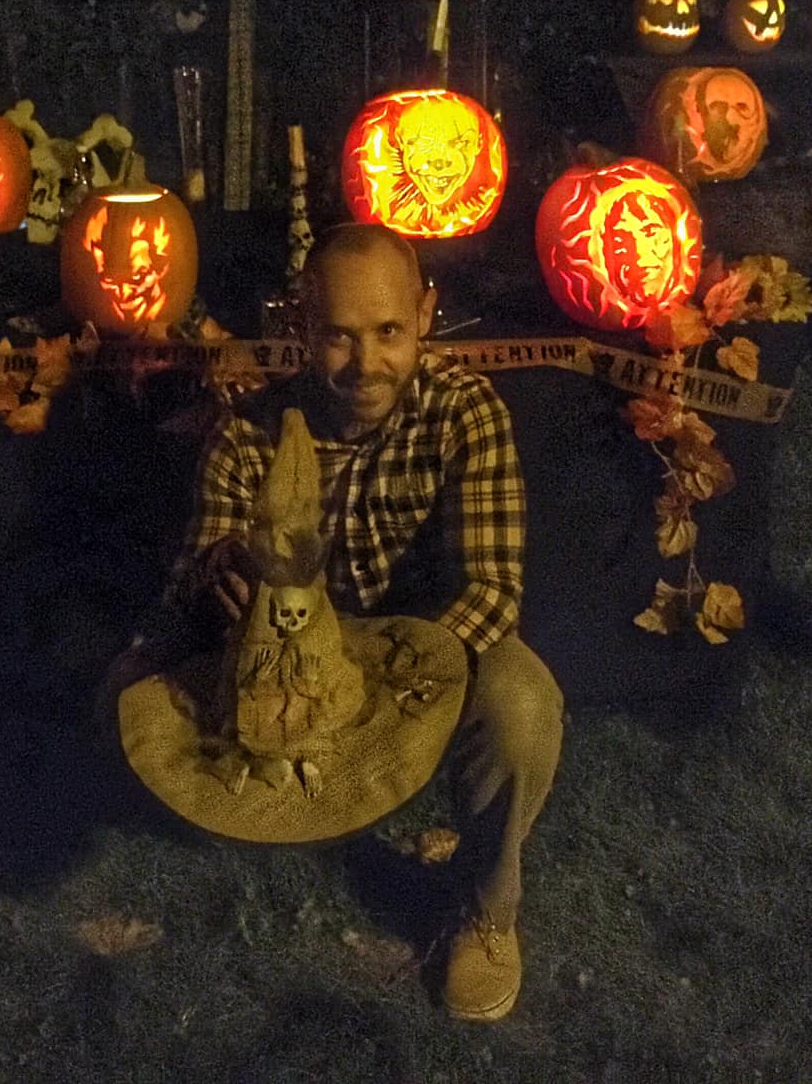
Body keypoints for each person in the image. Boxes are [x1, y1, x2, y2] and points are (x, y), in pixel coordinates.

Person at [99, 221, 564, 1023]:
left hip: (416, 655)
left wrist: (383, 693)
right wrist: (223, 574)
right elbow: (189, 581)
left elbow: (491, 591)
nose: (366, 363)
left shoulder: (463, 412)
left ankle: (488, 910)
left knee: (523, 703)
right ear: (301, 329)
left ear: (423, 315)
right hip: (280, 669)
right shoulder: (249, 435)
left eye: (388, 332)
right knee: (118, 705)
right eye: (339, 338)